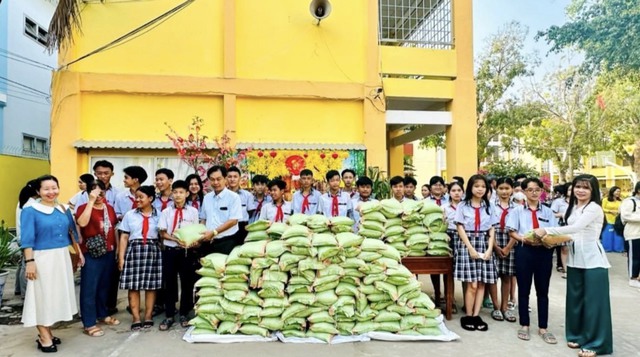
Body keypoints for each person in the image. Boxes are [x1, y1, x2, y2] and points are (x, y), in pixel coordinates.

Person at [534, 174, 613, 357]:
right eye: (578, 187)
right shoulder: (574, 207)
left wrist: (546, 230)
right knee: (575, 300)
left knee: (594, 304)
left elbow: (577, 228)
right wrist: (552, 239)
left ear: (593, 191)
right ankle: (577, 335)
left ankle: (596, 344)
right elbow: (572, 234)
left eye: (586, 188)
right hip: (575, 260)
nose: (581, 190)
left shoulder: (593, 208)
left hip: (594, 261)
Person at [21, 175, 84, 353]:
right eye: (46, 189)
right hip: (41, 259)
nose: (51, 192)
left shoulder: (63, 208)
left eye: (54, 187)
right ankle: (44, 335)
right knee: (41, 297)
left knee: (54, 296)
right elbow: (27, 239)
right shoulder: (30, 210)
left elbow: (72, 232)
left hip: (61, 257)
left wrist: (78, 253)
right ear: (38, 191)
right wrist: (30, 262)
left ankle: (47, 330)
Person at [507, 177, 558, 344]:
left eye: (537, 189)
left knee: (543, 290)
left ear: (541, 191)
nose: (534, 193)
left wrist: (549, 240)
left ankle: (543, 327)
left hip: (544, 252)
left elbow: (554, 230)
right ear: (523, 192)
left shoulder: (548, 212)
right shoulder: (517, 211)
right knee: (524, 289)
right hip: (524, 251)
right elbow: (512, 231)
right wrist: (523, 238)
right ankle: (524, 324)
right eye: (530, 190)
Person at [76, 180, 120, 337]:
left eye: (101, 193)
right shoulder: (83, 208)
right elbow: (82, 222)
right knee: (89, 288)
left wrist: (117, 249)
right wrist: (91, 202)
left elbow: (114, 228)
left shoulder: (109, 208)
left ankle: (102, 314)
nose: (99, 196)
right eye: (95, 193)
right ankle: (88, 322)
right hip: (91, 253)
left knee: (104, 286)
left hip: (108, 251)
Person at [454, 174, 496, 332]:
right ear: (470, 188)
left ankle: (476, 315)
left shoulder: (489, 206)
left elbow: (492, 228)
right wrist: (470, 248)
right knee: (471, 283)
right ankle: (469, 315)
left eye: (483, 187)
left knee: (481, 283)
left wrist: (490, 249)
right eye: (477, 186)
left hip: (484, 243)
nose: (480, 189)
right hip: (468, 243)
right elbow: (460, 227)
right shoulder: (462, 206)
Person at [118, 185, 162, 331]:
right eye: (136, 197)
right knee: (133, 286)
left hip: (152, 250)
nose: (137, 199)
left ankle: (148, 315)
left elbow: (162, 236)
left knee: (151, 286)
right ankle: (136, 317)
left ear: (150, 199)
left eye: (141, 197)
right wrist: (121, 258)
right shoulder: (130, 215)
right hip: (134, 250)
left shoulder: (160, 215)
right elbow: (124, 237)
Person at [157, 180, 200, 331]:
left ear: (187, 194)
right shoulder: (166, 212)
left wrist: (193, 242)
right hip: (170, 250)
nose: (178, 195)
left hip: (186, 251)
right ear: (171, 194)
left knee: (187, 283)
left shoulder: (193, 212)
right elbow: (162, 233)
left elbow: (196, 230)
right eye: (175, 192)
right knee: (170, 283)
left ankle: (184, 313)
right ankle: (169, 315)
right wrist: (176, 240)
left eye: (181, 192)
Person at [488, 177, 517, 323]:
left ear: (512, 189)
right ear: (496, 189)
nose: (504, 191)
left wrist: (508, 247)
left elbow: (518, 228)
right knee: (493, 276)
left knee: (507, 277)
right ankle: (496, 307)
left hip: (511, 241)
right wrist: (495, 246)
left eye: (507, 188)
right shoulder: (490, 205)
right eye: (501, 188)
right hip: (493, 241)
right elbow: (488, 227)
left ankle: (505, 307)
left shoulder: (517, 207)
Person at [197, 165, 243, 255]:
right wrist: (200, 235)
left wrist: (214, 232)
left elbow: (233, 221)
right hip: (208, 242)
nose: (216, 182)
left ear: (225, 179)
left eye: (219, 179)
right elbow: (203, 219)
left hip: (227, 242)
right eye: (212, 179)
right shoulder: (207, 198)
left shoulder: (233, 197)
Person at [14, 179, 38, 298]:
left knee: (21, 264)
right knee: (26, 264)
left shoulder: (23, 201)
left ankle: (18, 289)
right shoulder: (32, 204)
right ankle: (25, 294)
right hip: (26, 237)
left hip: (20, 236)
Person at [443, 180, 463, 314]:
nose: (456, 193)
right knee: (448, 270)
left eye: (459, 190)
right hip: (449, 237)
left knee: (465, 270)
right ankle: (450, 299)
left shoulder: (467, 206)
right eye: (453, 190)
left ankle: (468, 302)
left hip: (464, 238)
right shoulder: (444, 207)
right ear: (449, 192)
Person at [226, 166, 254, 244]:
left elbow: (250, 212)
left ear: (239, 178)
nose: (232, 179)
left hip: (242, 227)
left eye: (235, 177)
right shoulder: (223, 195)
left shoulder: (247, 195)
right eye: (230, 177)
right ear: (226, 178)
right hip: (226, 227)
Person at [620, 181, 640, 288]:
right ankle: (633, 277)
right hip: (633, 233)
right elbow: (625, 216)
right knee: (635, 257)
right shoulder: (630, 202)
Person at [550, 183, 571, 278]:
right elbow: (551, 214)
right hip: (562, 227)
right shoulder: (558, 202)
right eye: (569, 189)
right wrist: (562, 214)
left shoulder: (579, 201)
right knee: (564, 249)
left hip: (576, 228)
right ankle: (565, 269)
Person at [601, 186, 624, 253]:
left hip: (617, 220)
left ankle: (618, 248)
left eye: (619, 191)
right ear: (612, 191)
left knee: (618, 234)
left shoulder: (621, 200)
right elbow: (602, 208)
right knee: (608, 234)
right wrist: (610, 211)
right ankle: (607, 248)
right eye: (617, 191)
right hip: (608, 219)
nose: (618, 193)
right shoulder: (605, 200)